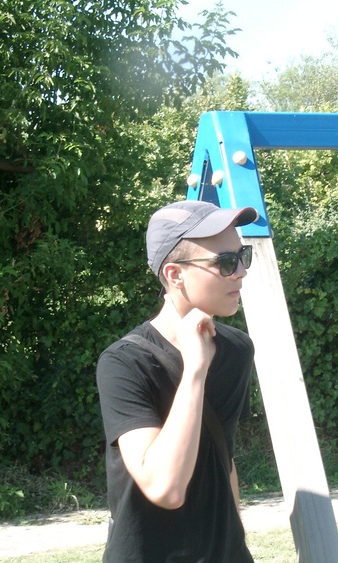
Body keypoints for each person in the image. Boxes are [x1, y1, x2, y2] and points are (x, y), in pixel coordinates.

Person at [96, 199, 259, 562]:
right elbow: (165, 488)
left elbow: (223, 457)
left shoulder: (237, 350)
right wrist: (195, 369)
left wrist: (236, 545)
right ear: (174, 275)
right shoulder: (124, 362)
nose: (241, 273)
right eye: (226, 262)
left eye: (242, 256)